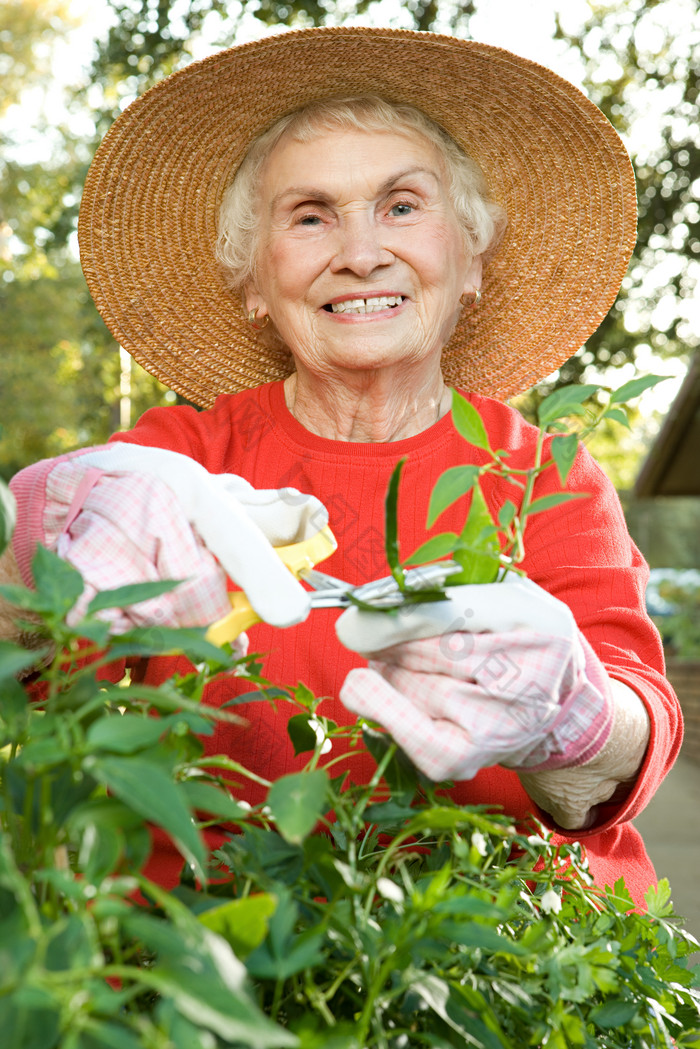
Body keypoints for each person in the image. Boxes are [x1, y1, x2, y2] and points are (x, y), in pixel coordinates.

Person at [1, 27, 681, 907]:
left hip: (514, 950)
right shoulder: (177, 462)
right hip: (221, 960)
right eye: (311, 215)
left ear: (470, 259)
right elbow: (25, 662)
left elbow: (633, 742)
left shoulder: (544, 472)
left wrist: (577, 717)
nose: (360, 252)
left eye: (401, 206)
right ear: (254, 280)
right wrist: (34, 545)